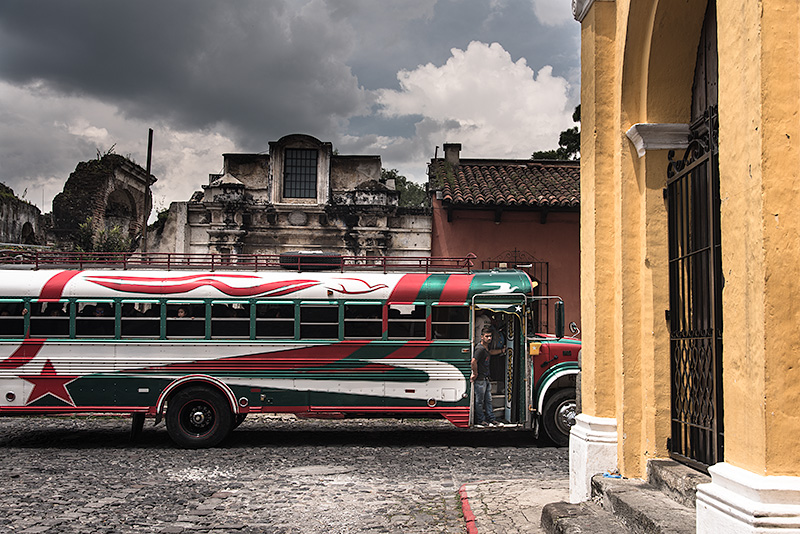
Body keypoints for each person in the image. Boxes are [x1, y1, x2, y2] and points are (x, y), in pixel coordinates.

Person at [471, 326, 502, 428]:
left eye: (490, 336)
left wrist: (502, 350)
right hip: (480, 380)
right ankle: (481, 420)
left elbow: (490, 353)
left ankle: (491, 419)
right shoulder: (479, 349)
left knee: (488, 400)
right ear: (482, 337)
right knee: (480, 402)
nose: (489, 338)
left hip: (486, 379)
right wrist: (475, 373)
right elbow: (474, 361)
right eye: (487, 336)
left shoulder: (485, 348)